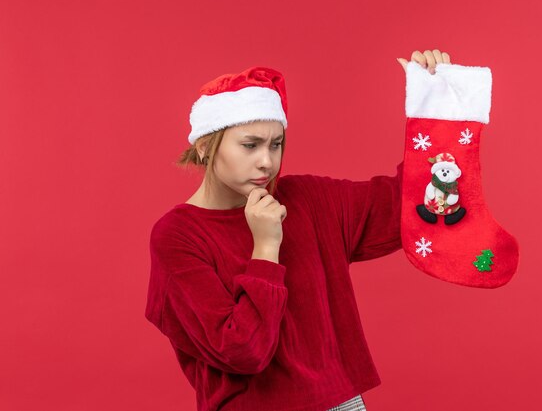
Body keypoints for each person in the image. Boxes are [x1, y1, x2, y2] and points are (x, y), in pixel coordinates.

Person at [145, 50, 452, 411]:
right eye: (250, 145)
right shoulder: (178, 236)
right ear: (204, 147)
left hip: (339, 404)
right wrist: (265, 248)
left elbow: (411, 204)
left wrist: (439, 111)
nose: (267, 161)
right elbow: (243, 351)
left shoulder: (306, 200)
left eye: (276, 144)